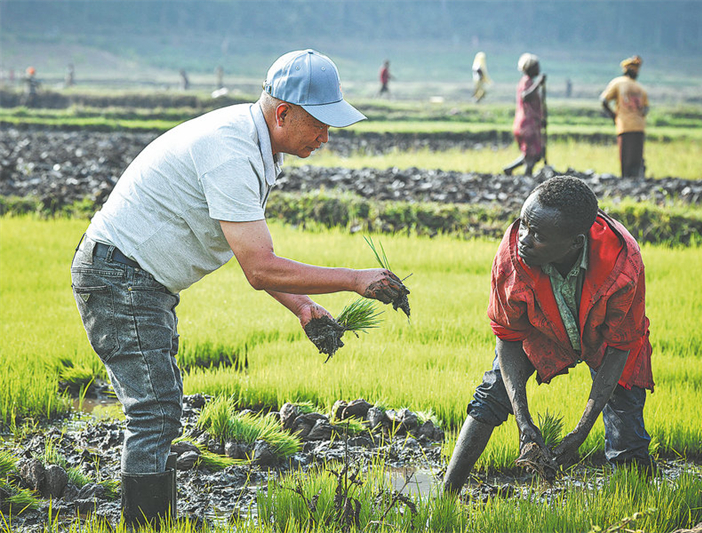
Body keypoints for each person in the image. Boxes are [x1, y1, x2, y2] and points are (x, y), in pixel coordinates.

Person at [71, 49, 410, 526]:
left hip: (136, 279)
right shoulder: (231, 151)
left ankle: (153, 522)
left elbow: (244, 247)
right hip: (121, 276)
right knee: (154, 411)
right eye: (319, 124)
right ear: (283, 113)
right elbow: (260, 268)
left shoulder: (255, 145)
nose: (325, 138)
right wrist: (355, 280)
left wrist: (303, 306)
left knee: (159, 408)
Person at [443, 176, 654, 494]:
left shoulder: (622, 265)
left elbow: (620, 346)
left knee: (626, 430)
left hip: (605, 336)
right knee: (491, 394)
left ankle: (638, 505)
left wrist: (581, 431)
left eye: (538, 235)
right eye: (524, 225)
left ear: (575, 243)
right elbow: (508, 337)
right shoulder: (512, 258)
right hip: (542, 327)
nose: (523, 239)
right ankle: (446, 495)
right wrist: (523, 421)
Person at [600, 56, 649, 178]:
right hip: (639, 126)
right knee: (636, 157)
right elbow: (646, 109)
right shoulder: (640, 88)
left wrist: (614, 116)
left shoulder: (618, 82)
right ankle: (636, 180)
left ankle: (626, 180)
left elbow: (604, 100)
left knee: (626, 158)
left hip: (625, 125)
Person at [503, 53, 546, 176]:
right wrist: (538, 84)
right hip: (527, 125)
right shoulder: (527, 82)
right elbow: (525, 96)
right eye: (536, 67)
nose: (539, 69)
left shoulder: (528, 82)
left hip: (529, 123)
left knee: (533, 154)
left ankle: (510, 169)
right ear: (530, 68)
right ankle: (527, 177)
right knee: (532, 155)